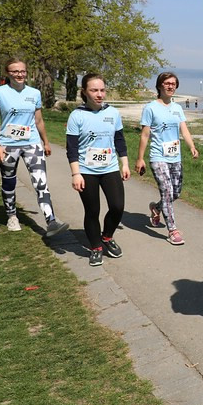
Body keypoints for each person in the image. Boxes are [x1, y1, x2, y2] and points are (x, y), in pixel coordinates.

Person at [0, 58, 69, 237]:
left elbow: (38, 120)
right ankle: (12, 216)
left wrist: (45, 141)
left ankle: (51, 221)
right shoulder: (0, 93)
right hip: (8, 145)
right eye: (15, 71)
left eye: (22, 71)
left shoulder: (34, 93)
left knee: (41, 182)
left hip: (32, 143)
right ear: (8, 73)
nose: (20, 75)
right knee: (9, 182)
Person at [67, 73, 130, 267]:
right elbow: (72, 148)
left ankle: (107, 237)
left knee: (117, 206)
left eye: (102, 90)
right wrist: (76, 173)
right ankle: (95, 247)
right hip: (86, 170)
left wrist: (124, 163)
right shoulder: (77, 115)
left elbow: (119, 140)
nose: (99, 94)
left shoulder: (113, 113)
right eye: (94, 90)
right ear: (84, 92)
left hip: (110, 167)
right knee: (92, 210)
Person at [136, 72, 199, 245]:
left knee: (175, 193)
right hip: (158, 156)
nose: (171, 86)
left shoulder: (177, 108)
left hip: (175, 156)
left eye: (173, 84)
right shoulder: (150, 108)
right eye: (167, 83)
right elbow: (145, 135)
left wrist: (192, 146)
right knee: (167, 191)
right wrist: (140, 159)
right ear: (159, 86)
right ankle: (172, 230)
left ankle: (156, 208)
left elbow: (184, 129)